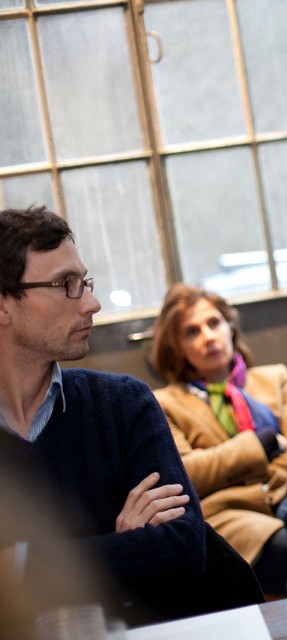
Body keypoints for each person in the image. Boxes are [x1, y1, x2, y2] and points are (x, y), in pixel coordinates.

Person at [0, 205, 208, 624]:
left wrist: (23, 564)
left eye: (85, 282)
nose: (92, 303)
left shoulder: (123, 403)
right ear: (4, 305)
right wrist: (123, 546)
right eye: (66, 285)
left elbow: (183, 548)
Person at [150, 283, 287, 594]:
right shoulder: (164, 403)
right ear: (176, 346)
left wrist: (228, 469)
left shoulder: (276, 378)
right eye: (192, 332)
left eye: (214, 323)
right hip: (229, 514)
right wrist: (263, 443)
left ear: (230, 328)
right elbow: (185, 477)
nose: (209, 337)